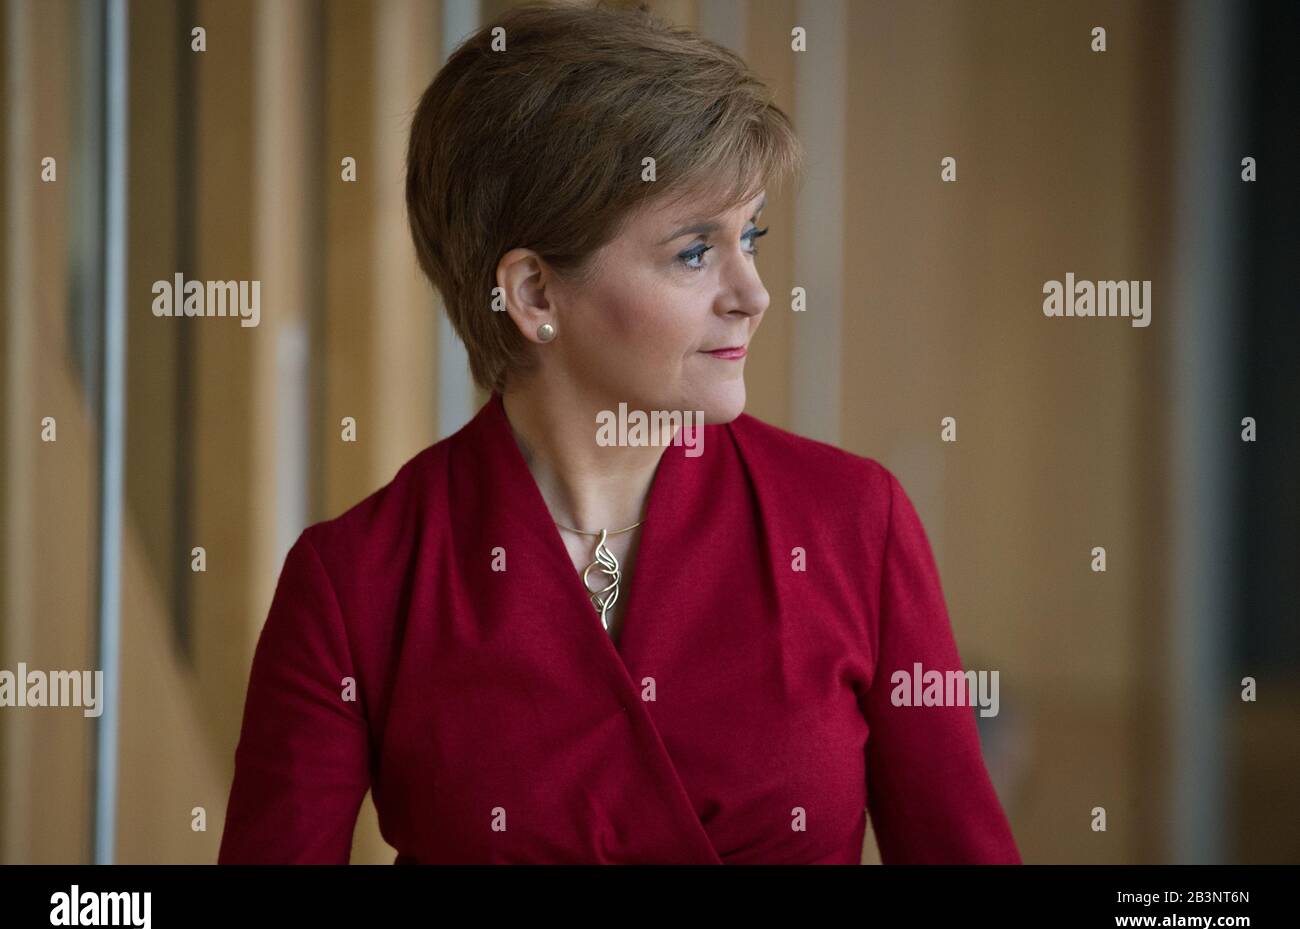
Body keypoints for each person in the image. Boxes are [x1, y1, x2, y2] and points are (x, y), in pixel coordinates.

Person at [218, 0, 1021, 864]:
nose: (752, 293)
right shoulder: (354, 585)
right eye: (693, 251)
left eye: (748, 237)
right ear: (532, 295)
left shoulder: (854, 523)